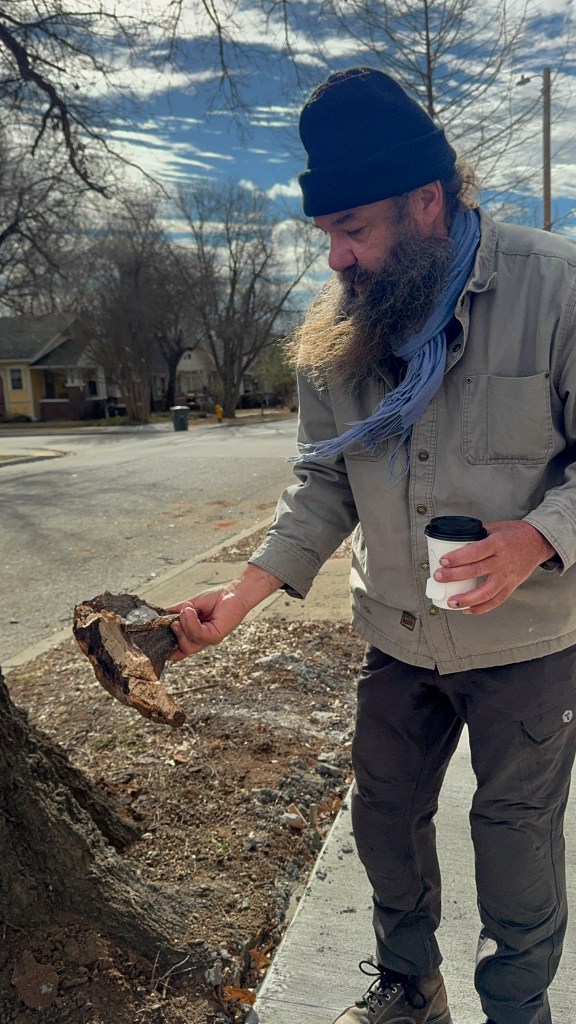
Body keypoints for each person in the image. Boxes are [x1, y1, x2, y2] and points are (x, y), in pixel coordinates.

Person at [170, 67, 576, 1024]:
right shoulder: (337, 336)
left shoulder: (555, 291)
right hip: (397, 634)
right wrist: (243, 595)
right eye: (328, 237)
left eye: (355, 231)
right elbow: (324, 479)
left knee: (515, 843)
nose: (339, 260)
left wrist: (536, 539)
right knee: (385, 821)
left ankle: (517, 1008)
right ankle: (409, 990)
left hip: (527, 645)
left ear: (427, 201)